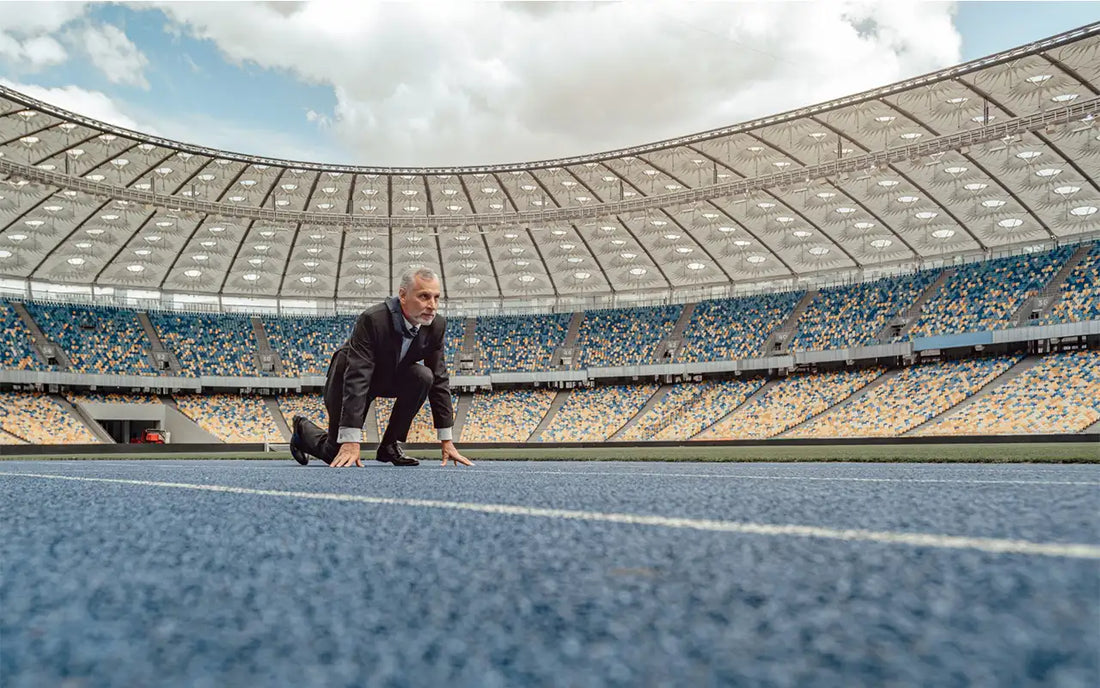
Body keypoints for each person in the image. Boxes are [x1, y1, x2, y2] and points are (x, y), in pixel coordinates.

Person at [290, 268, 472, 468]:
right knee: (335, 452)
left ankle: (389, 446)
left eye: (436, 298)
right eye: (424, 297)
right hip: (348, 376)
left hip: (389, 376)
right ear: (402, 295)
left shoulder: (436, 326)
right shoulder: (373, 319)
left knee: (423, 376)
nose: (432, 305)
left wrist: (447, 441)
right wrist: (351, 439)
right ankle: (302, 428)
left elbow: (439, 378)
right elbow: (358, 377)